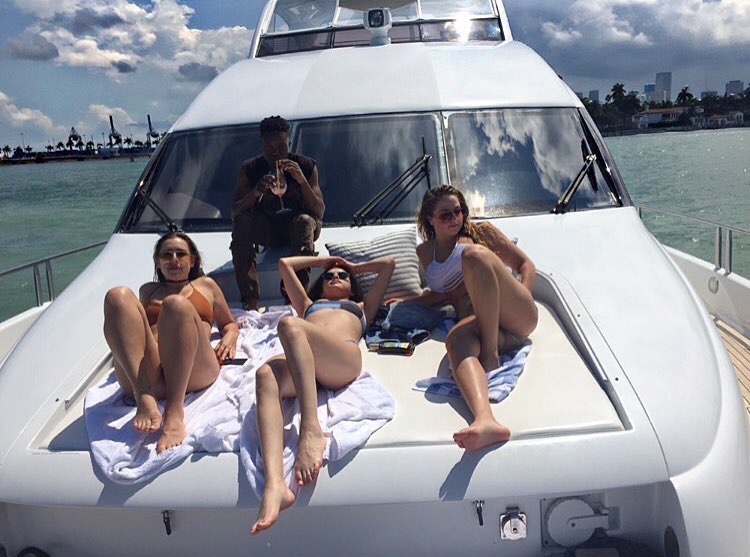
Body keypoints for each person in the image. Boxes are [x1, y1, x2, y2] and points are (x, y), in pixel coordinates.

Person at [250, 253, 395, 535]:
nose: (335, 277)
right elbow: (284, 265)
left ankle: (310, 428)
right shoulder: (308, 305)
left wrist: (353, 266)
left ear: (352, 285)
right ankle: (275, 485)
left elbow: (388, 265)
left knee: (289, 325)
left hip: (340, 361)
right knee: (265, 374)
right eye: (329, 276)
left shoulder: (362, 307)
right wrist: (324, 262)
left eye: (342, 276)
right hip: (303, 364)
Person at [407, 185, 538, 451]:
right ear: (430, 219)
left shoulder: (482, 233)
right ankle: (485, 420)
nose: (455, 218)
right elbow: (444, 293)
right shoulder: (425, 253)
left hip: (515, 314)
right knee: (455, 340)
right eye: (445, 215)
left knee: (474, 255)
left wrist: (522, 296)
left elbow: (526, 266)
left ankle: (490, 354)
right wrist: (401, 303)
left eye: (459, 211)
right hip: (483, 323)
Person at [103, 231, 239, 454]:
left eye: (180, 254)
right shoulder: (148, 290)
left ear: (192, 260)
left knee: (175, 304)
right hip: (151, 376)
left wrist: (230, 337)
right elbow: (132, 328)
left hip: (193, 371)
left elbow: (229, 323)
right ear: (158, 262)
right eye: (166, 255)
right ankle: (143, 395)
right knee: (117, 296)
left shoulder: (207, 285)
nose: (174, 260)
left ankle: (174, 413)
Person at [231, 115, 325, 310]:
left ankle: (294, 299)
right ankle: (250, 301)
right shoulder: (250, 169)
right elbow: (235, 212)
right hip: (268, 230)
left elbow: (319, 210)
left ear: (289, 143)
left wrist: (302, 181)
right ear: (262, 145)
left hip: (300, 230)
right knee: (242, 222)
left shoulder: (305, 166)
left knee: (304, 221)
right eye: (269, 148)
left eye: (281, 147)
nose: (276, 153)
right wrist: (256, 192)